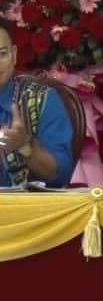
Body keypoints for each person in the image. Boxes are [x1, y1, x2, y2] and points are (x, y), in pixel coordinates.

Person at [0, 21, 74, 188]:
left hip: (23, 204)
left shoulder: (43, 100)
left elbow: (60, 176)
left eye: (2, 54)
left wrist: (25, 146)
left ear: (14, 54)